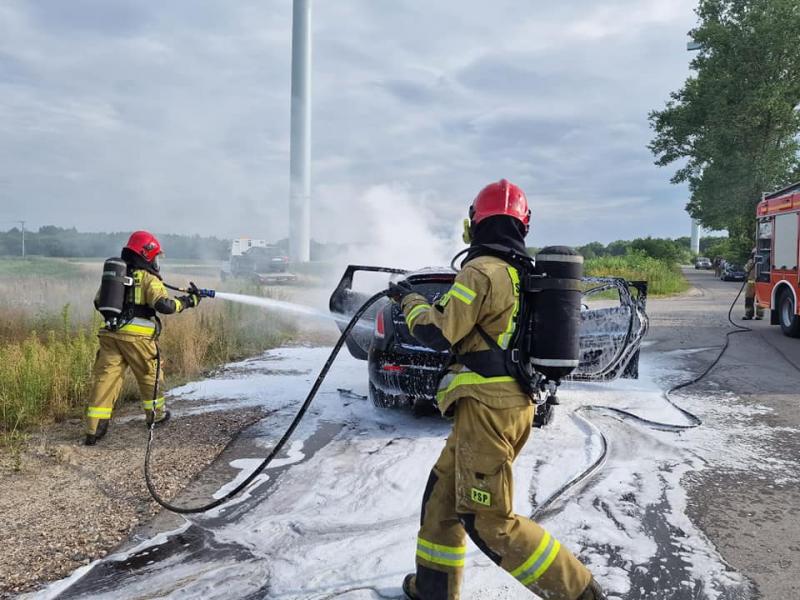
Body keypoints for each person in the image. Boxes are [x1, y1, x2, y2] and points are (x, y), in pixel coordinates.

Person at [388, 180, 606, 600]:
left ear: (474, 223)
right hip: (503, 406)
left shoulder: (481, 270)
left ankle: (581, 594)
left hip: (488, 410)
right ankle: (433, 589)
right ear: (523, 226)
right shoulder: (521, 273)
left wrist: (410, 301)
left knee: (489, 520)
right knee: (441, 501)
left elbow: (439, 332)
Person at [84, 231, 201, 446]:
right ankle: (155, 417)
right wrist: (187, 302)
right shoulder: (148, 279)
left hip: (110, 336)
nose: (156, 262)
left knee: (105, 380)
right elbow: (164, 305)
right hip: (139, 340)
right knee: (150, 376)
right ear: (146, 254)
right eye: (155, 256)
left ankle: (94, 429)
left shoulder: (115, 276)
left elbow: (98, 302)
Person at [743, 250, 764, 321]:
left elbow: (746, 268)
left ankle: (754, 315)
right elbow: (747, 269)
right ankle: (753, 315)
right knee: (750, 299)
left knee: (757, 299)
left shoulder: (751, 262)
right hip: (754, 282)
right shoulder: (756, 261)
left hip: (754, 282)